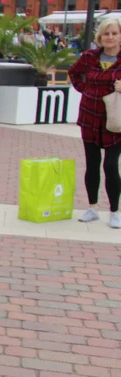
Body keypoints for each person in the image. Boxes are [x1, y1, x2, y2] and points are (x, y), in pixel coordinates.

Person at [69, 14, 121, 229]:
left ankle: (115, 211)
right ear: (100, 37)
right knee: (92, 164)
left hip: (115, 120)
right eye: (106, 33)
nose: (110, 37)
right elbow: (73, 73)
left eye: (114, 33)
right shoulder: (90, 57)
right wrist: (85, 90)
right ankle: (92, 208)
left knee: (110, 165)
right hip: (90, 117)